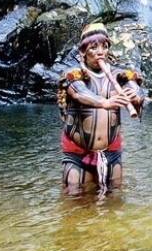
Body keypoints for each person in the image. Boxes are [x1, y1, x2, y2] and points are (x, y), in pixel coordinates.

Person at [57, 22, 145, 194]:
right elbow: (79, 93)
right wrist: (105, 102)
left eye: (104, 47)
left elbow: (137, 89)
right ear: (82, 51)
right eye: (93, 47)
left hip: (111, 153)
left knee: (114, 200)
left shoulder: (119, 74)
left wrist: (136, 96)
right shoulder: (73, 74)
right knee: (75, 201)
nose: (100, 52)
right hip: (78, 154)